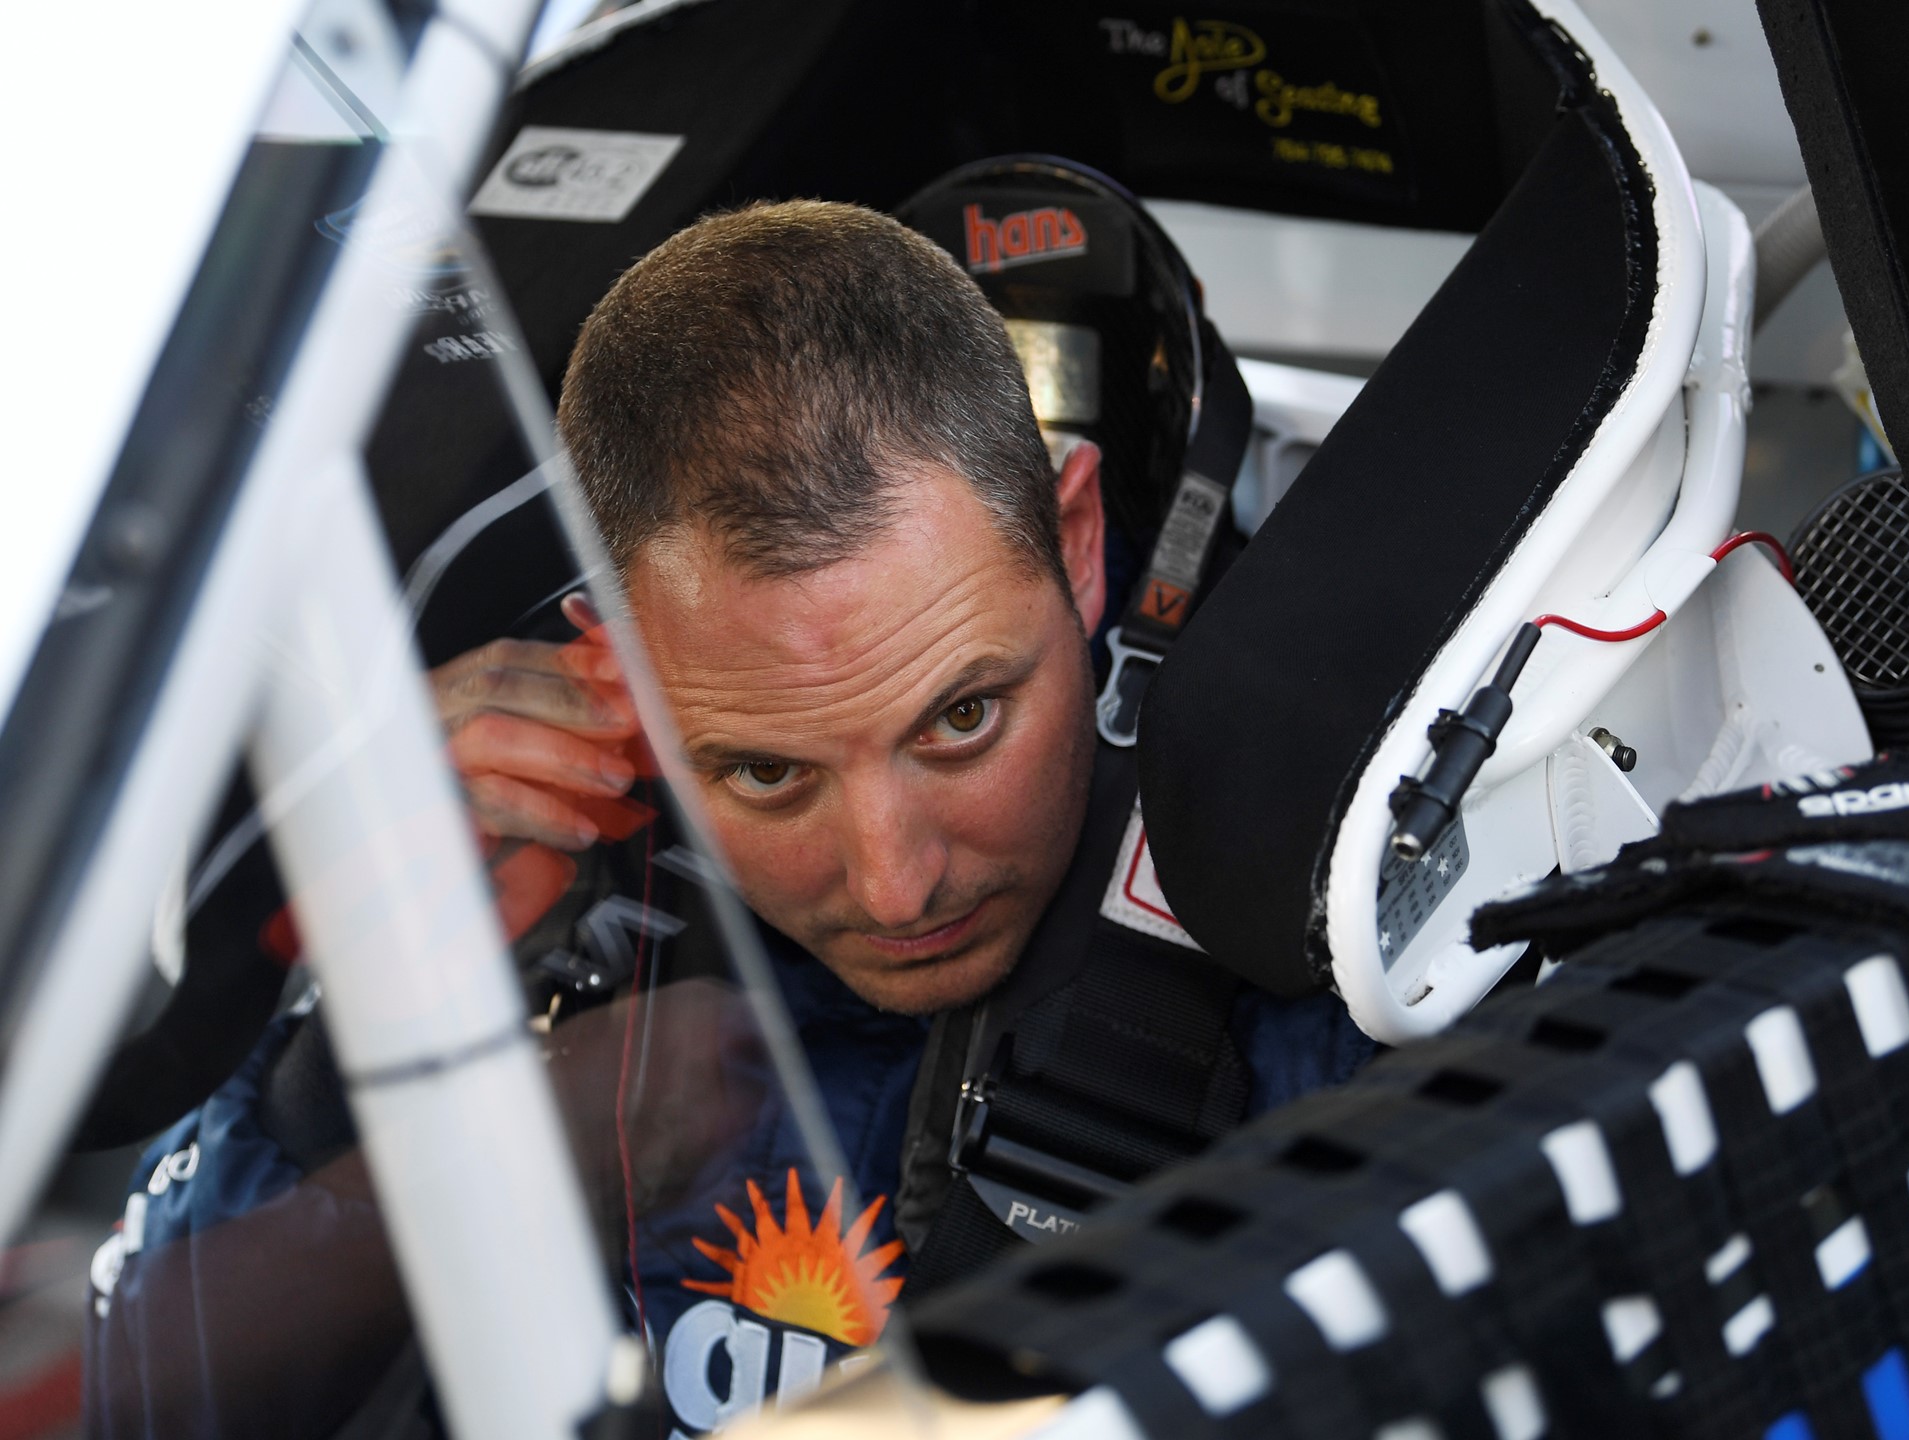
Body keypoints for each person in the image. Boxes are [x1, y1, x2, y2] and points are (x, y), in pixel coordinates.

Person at [87, 199, 1371, 1438]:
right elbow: (138, 1403)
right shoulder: (562, 921)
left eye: (963, 720)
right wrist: (383, 1039)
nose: (894, 884)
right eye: (767, 774)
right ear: (620, 673)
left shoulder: (1323, 958)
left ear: (1078, 544)